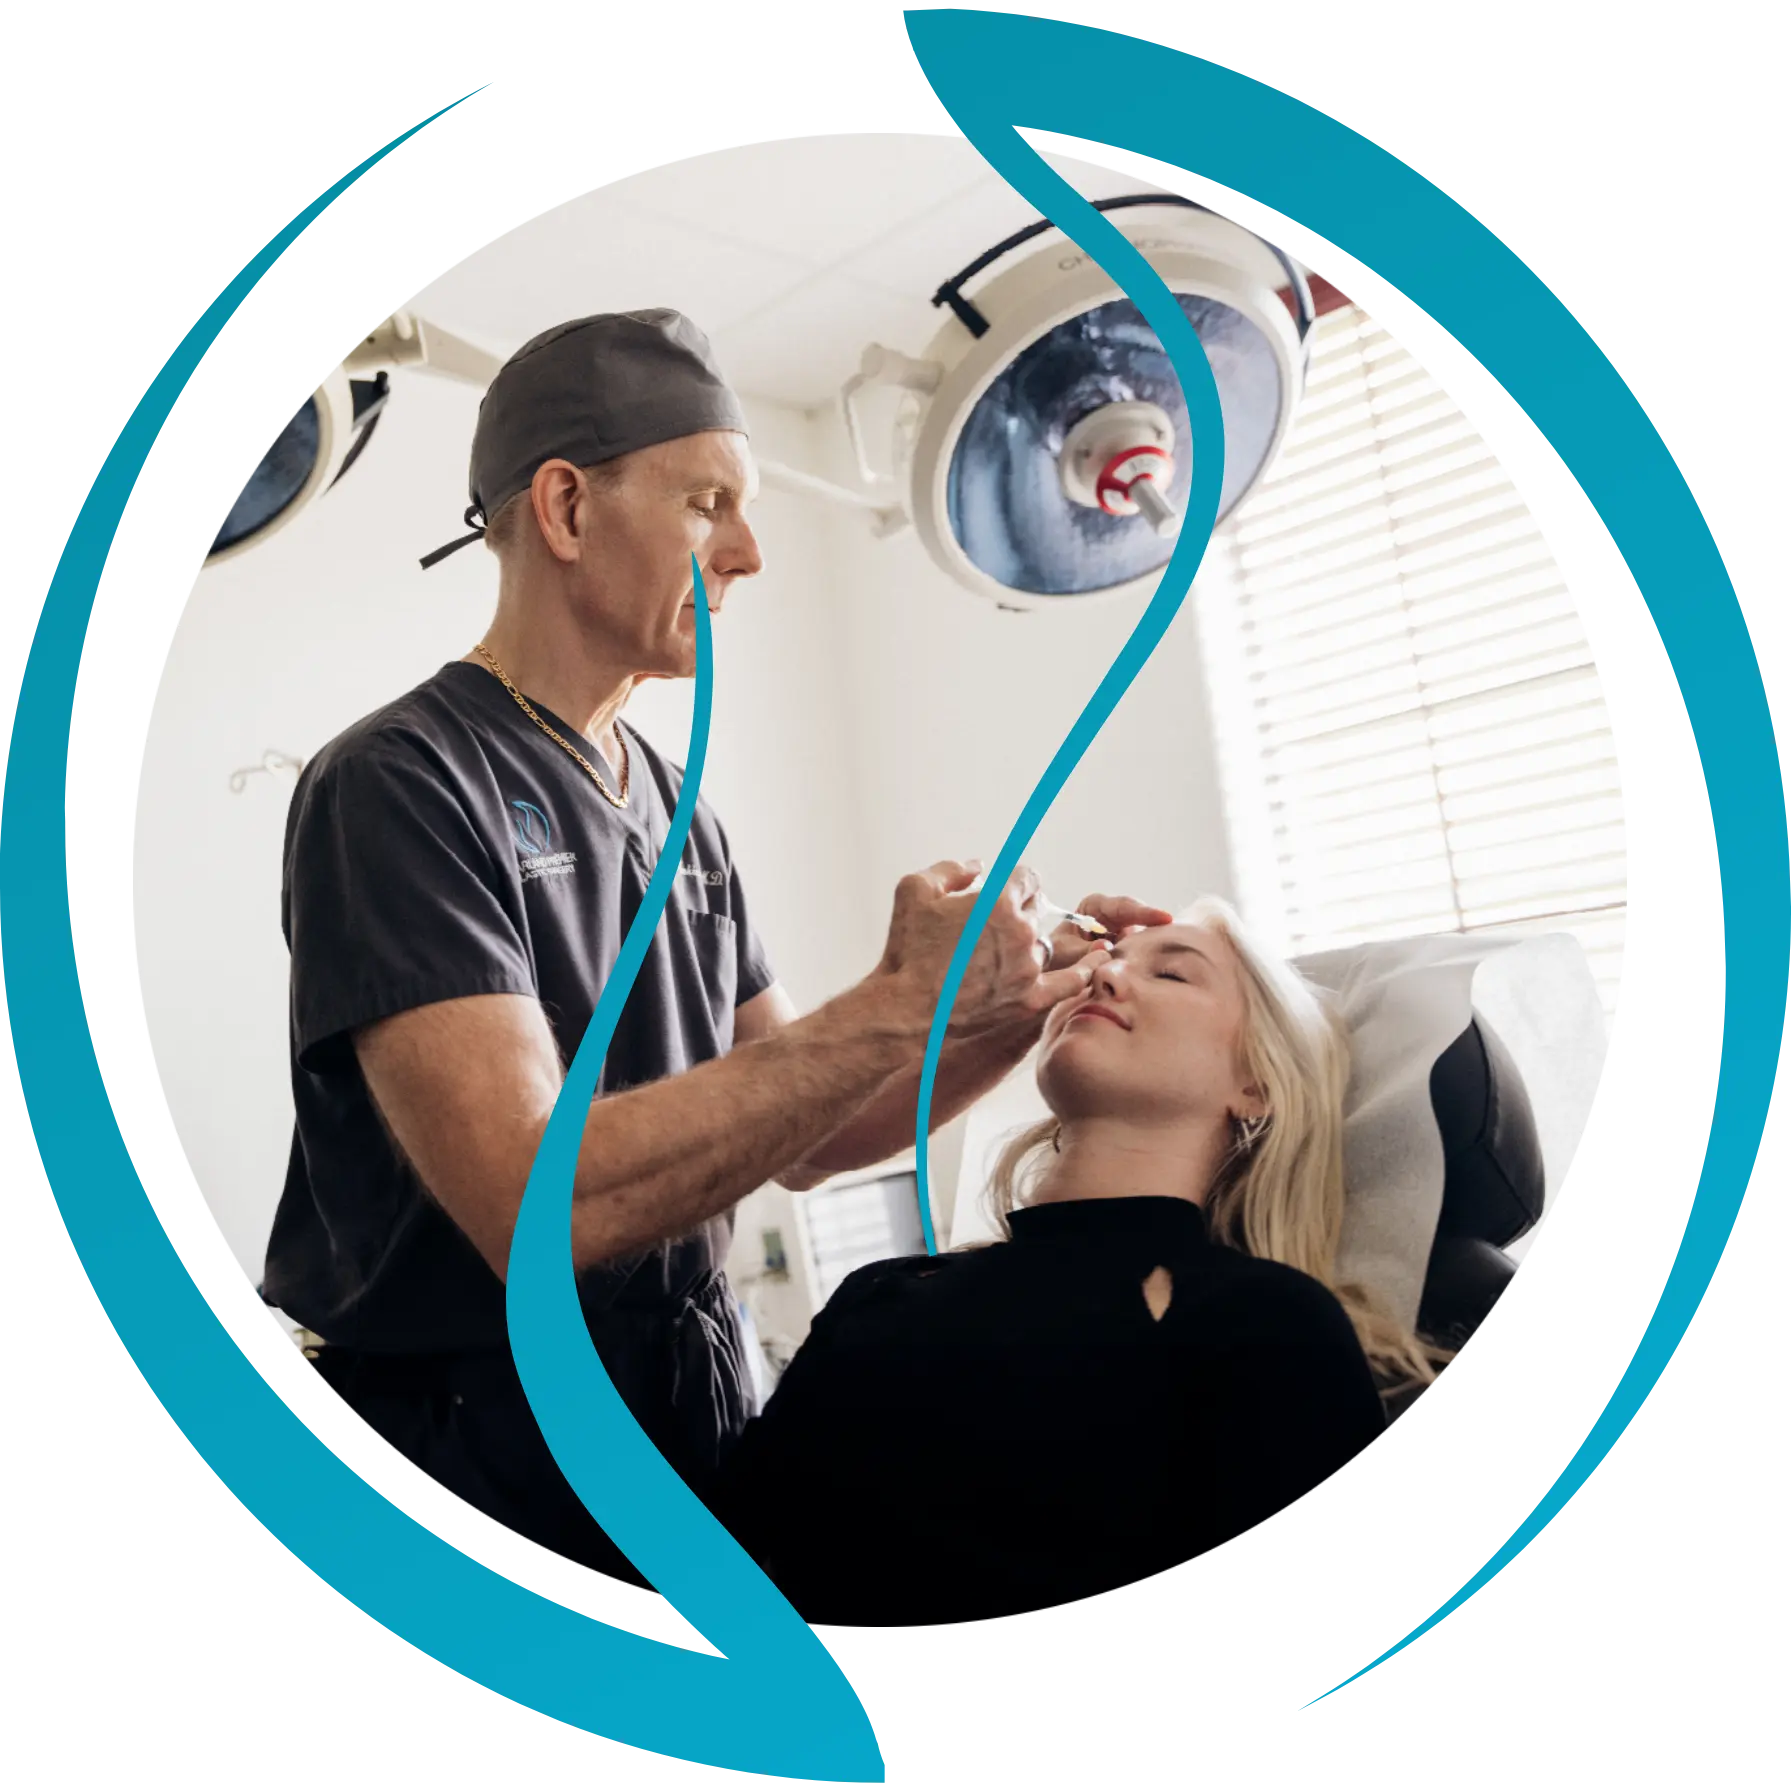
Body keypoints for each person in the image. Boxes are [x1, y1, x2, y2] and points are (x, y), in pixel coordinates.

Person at [261, 307, 1172, 1635]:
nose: (749, 553)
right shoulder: (399, 785)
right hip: (472, 1452)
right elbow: (530, 1203)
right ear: (566, 508)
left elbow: (814, 1129)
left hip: (689, 1406)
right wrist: (897, 1001)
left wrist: (1011, 1005)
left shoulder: (679, 811)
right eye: (708, 504)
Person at [714, 895, 1451, 1703]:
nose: (1102, 973)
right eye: (1105, 958)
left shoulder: (1270, 1326)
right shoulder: (882, 1292)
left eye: (1171, 972)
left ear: (1255, 1083)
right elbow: (730, 1583)